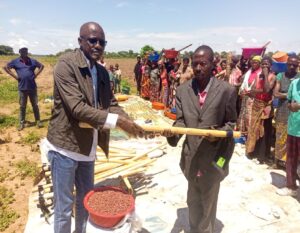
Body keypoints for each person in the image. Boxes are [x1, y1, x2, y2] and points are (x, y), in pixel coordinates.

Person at [44, 22, 144, 233]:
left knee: (85, 202)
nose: (98, 45)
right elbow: (77, 108)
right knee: (63, 208)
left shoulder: (102, 72)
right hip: (65, 147)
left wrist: (130, 123)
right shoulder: (66, 65)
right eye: (92, 40)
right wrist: (118, 122)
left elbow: (113, 105)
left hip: (88, 149)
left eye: (102, 42)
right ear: (80, 41)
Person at [163, 45, 237, 233]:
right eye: (195, 64)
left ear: (212, 64)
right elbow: (181, 122)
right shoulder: (183, 90)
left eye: (203, 64)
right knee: (193, 200)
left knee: (208, 201)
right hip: (191, 156)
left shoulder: (226, 91)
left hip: (215, 158)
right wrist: (172, 133)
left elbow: (230, 123)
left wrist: (217, 135)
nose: (197, 68)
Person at [3, 47, 44, 130]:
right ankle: (22, 123)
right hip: (22, 88)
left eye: (26, 51)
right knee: (22, 106)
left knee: (35, 105)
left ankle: (38, 121)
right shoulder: (15, 61)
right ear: (19, 52)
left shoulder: (32, 61)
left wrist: (36, 75)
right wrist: (15, 77)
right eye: (22, 51)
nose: (24, 52)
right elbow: (5, 67)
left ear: (27, 52)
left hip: (32, 87)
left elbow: (42, 66)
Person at [245, 56, 276, 164]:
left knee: (264, 131)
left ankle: (262, 155)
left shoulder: (272, 76)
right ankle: (252, 151)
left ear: (270, 66)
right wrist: (260, 91)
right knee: (254, 129)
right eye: (263, 64)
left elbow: (267, 90)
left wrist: (266, 75)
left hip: (266, 107)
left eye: (267, 64)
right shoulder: (258, 75)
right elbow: (252, 90)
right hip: (256, 105)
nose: (264, 66)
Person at [273, 55, 300, 166]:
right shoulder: (280, 76)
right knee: (280, 137)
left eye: (295, 65)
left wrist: (283, 94)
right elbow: (275, 93)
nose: (292, 66)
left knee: (294, 139)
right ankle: (277, 161)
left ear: (298, 65)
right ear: (286, 64)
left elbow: (280, 94)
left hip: (296, 113)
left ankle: (290, 163)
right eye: (290, 64)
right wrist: (290, 95)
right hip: (283, 111)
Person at [277, 71, 300, 196]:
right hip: (293, 128)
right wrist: (293, 106)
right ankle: (291, 187)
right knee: (291, 159)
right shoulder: (295, 84)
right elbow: (290, 104)